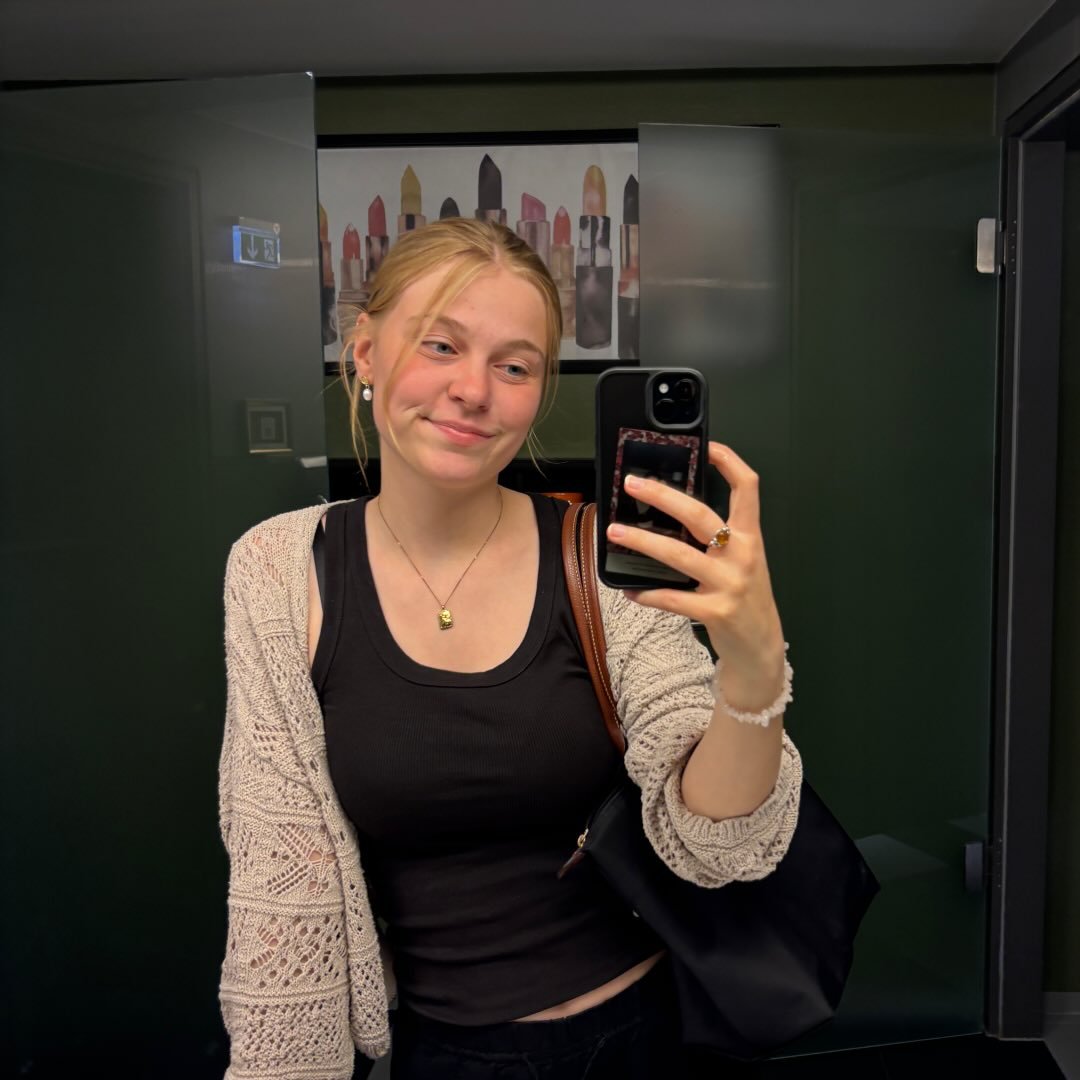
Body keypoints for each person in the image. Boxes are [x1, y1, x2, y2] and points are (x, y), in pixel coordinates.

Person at [217, 218, 802, 1079]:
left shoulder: (602, 560)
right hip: (443, 1051)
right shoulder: (276, 571)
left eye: (515, 366)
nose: (473, 390)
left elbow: (716, 842)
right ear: (366, 352)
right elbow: (281, 875)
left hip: (644, 1031)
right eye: (440, 345)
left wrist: (754, 667)